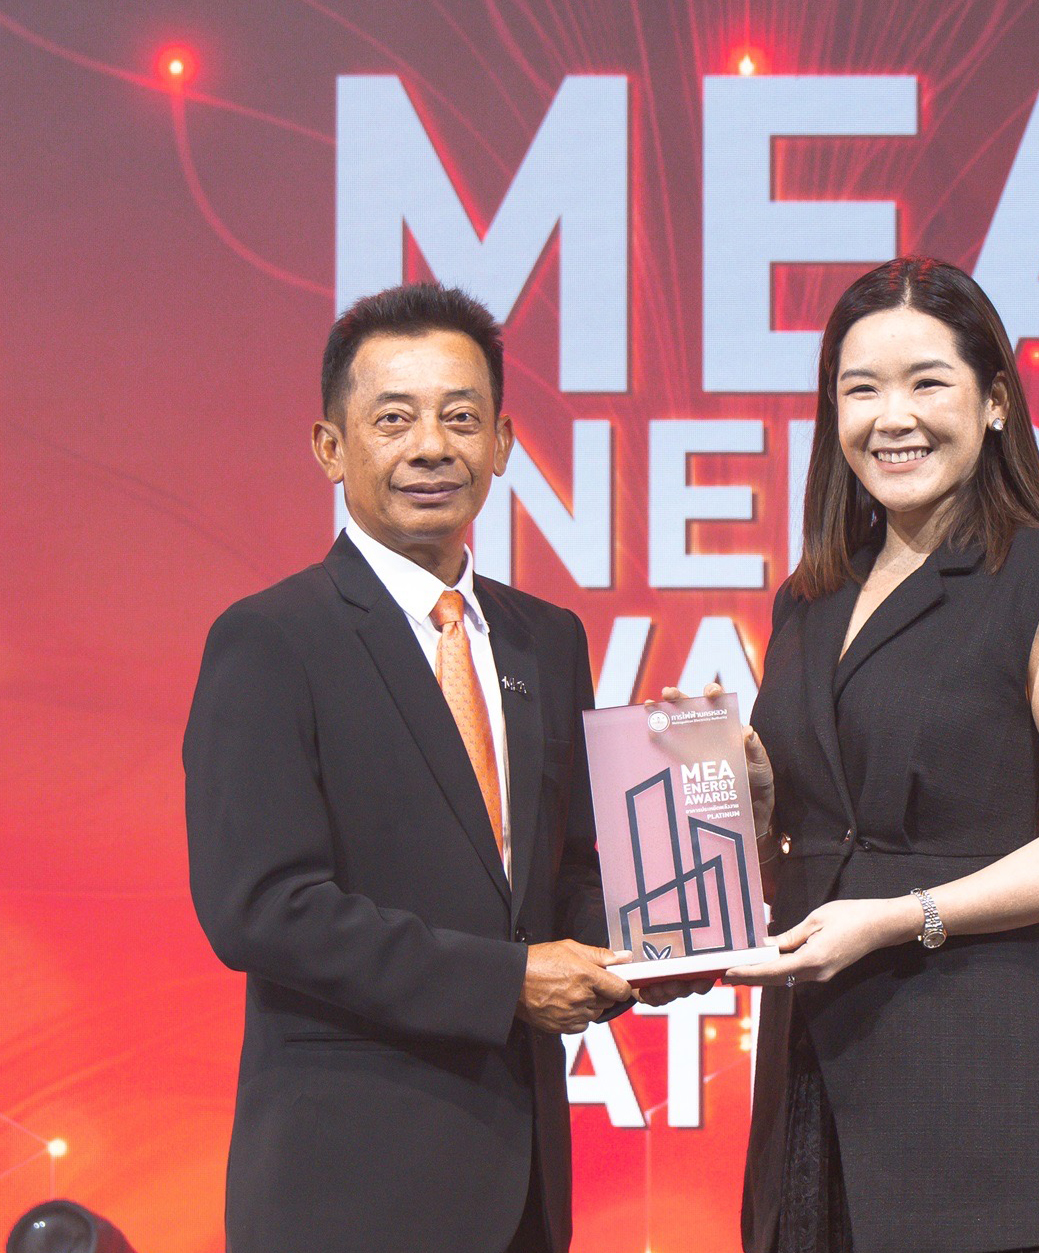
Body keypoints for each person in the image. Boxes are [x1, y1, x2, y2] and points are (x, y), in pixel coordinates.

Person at [183, 282, 695, 1253]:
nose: (431, 447)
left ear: (501, 443)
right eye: (393, 419)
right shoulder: (271, 639)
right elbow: (262, 906)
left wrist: (667, 938)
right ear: (329, 447)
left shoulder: (545, 638)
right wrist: (507, 983)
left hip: (523, 1184)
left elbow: (567, 872)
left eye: (460, 418)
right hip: (347, 1189)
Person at [727, 257, 1039, 1253]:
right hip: (814, 1067)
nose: (892, 418)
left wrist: (898, 917)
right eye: (860, 389)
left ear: (994, 401)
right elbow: (810, 837)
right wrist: (750, 804)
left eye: (926, 382)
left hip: (977, 1066)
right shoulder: (809, 597)